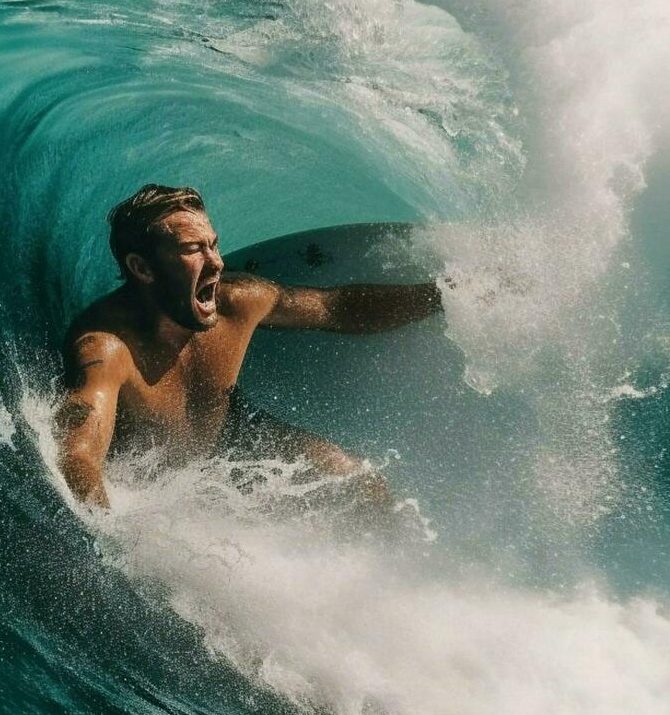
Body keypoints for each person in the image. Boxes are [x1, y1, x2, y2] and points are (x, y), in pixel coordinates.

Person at [56, 183, 443, 509]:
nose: (217, 262)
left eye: (214, 245)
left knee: (360, 480)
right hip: (151, 477)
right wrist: (107, 531)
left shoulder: (238, 302)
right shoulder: (107, 349)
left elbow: (338, 307)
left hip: (233, 433)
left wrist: (441, 296)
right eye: (194, 249)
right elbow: (80, 453)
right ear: (142, 268)